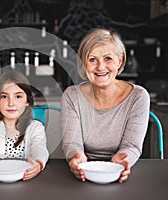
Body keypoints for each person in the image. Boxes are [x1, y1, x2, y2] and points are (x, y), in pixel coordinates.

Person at [61, 27, 150, 183]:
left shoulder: (138, 96)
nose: (100, 67)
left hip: (120, 172)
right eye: (92, 59)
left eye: (108, 58)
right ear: (84, 63)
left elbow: (132, 145)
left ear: (120, 60)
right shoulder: (71, 96)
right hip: (84, 170)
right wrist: (76, 157)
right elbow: (72, 143)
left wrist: (122, 161)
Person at [0, 71, 49, 181]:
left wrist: (38, 163)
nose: (11, 103)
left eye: (18, 96)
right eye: (4, 97)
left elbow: (39, 148)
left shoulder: (35, 127)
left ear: (27, 101)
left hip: (27, 182)